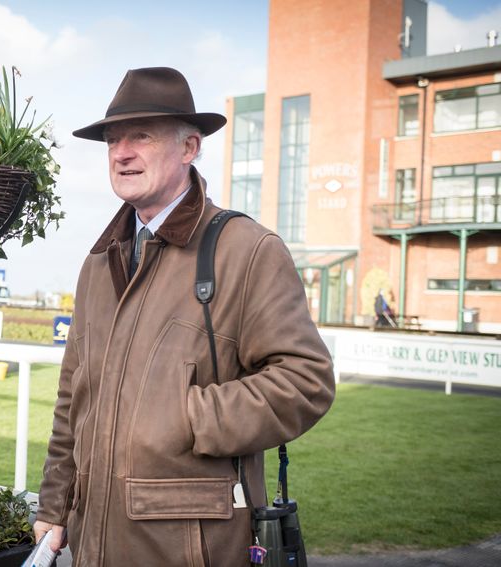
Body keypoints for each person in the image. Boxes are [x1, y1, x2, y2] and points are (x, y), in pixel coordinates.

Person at [33, 67, 336, 565]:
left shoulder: (248, 249)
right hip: (94, 545)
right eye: (112, 139)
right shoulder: (97, 262)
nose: (121, 152)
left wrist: (186, 415)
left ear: (190, 147)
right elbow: (73, 398)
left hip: (193, 547)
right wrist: (55, 504)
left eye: (141, 136)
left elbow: (307, 382)